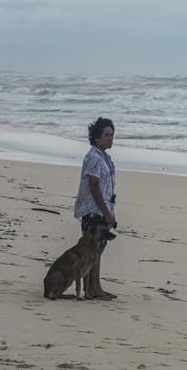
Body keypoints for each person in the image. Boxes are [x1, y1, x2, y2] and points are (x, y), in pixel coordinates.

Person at [73, 116, 117, 299]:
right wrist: (106, 212)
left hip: (101, 209)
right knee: (92, 250)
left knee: (97, 250)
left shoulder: (104, 157)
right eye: (107, 135)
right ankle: (92, 290)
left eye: (112, 135)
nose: (111, 138)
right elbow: (93, 185)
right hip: (94, 210)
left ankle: (95, 288)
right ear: (97, 137)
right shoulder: (94, 157)